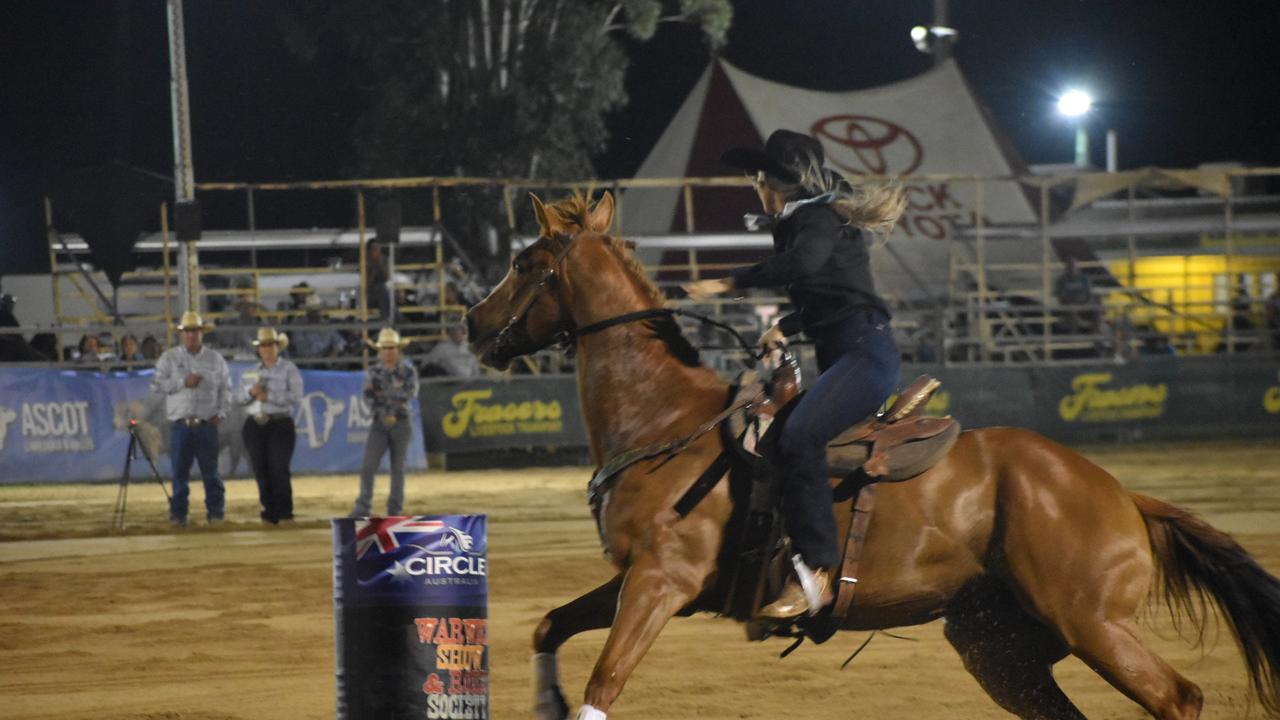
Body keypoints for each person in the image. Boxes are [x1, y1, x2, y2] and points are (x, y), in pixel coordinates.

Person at [683, 129, 906, 619]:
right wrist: (784, 326)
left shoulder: (814, 218)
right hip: (855, 350)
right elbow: (826, 295)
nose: (756, 188)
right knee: (788, 432)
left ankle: (817, 573)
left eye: (759, 179)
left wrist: (729, 281)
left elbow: (804, 264)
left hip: (865, 356)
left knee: (800, 434)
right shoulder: (807, 223)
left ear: (780, 183)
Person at [150, 311, 232, 526]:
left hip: (206, 424)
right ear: (181, 334)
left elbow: (226, 391)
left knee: (211, 473)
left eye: (194, 331)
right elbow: (156, 385)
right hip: (181, 425)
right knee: (180, 473)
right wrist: (182, 383)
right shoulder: (169, 358)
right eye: (187, 331)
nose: (191, 335)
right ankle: (179, 515)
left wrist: (220, 414)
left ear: (201, 333)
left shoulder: (215, 359)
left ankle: (215, 513)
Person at [351, 328, 419, 517]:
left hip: (398, 422)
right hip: (384, 422)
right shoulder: (378, 371)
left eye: (391, 348)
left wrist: (384, 400)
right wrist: (389, 406)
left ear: (398, 350)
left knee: (397, 468)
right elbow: (369, 396)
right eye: (385, 349)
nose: (388, 352)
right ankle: (364, 506)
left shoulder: (407, 371)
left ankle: (393, 509)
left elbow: (410, 393)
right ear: (380, 351)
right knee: (369, 466)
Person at [239, 328, 303, 525]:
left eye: (270, 345)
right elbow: (239, 398)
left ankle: (284, 512)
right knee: (260, 468)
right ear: (259, 349)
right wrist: (251, 393)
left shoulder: (289, 369)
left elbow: (296, 397)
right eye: (263, 346)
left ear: (277, 347)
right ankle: (269, 510)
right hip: (255, 424)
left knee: (278, 467)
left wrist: (269, 397)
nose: (266, 349)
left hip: (279, 422)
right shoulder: (250, 372)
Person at [290, 293, 346, 361]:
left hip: (324, 364)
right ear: (308, 311)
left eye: (318, 310)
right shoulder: (299, 324)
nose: (316, 313)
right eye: (313, 310)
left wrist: (333, 353)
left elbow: (339, 341)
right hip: (306, 363)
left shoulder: (326, 325)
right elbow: (299, 347)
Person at [1054, 257, 1096, 335]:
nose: (1072, 268)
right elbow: (1059, 295)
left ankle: (1094, 333)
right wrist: (1068, 298)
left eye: (1074, 265)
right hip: (1069, 304)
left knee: (1097, 306)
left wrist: (1086, 303)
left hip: (1083, 303)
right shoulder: (1061, 279)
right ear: (1067, 267)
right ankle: (1075, 333)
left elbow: (1090, 294)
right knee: (1072, 309)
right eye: (1070, 266)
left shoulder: (1084, 278)